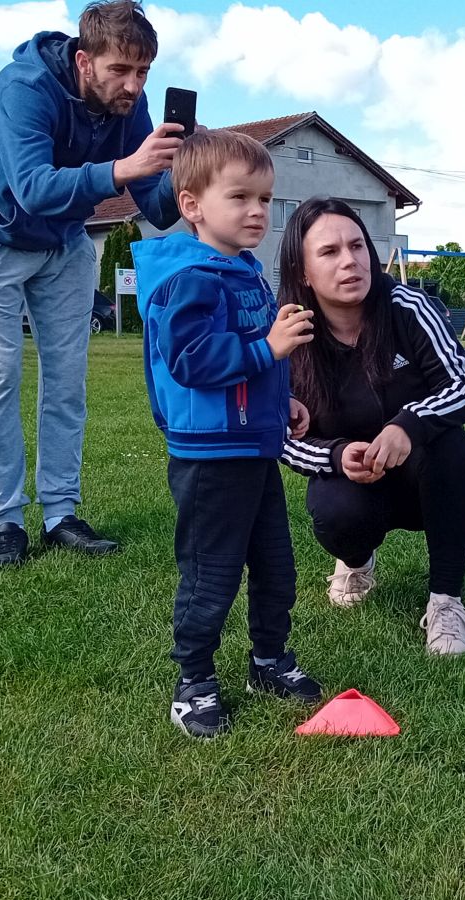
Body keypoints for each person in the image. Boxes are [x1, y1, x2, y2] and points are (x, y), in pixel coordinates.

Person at [0, 0, 187, 567]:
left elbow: (155, 207)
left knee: (66, 382)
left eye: (143, 72)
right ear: (84, 61)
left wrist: (184, 171)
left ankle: (60, 514)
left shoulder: (130, 106)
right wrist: (123, 169)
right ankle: (6, 520)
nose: (133, 86)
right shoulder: (25, 89)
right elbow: (32, 187)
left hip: (63, 241)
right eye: (120, 70)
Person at [133, 130, 322, 739]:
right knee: (211, 574)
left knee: (276, 566)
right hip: (210, 458)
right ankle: (193, 682)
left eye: (265, 199)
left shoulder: (242, 271)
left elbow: (249, 360)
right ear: (191, 205)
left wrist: (280, 399)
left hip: (254, 448)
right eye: (239, 197)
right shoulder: (190, 277)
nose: (257, 211)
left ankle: (268, 661)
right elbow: (191, 361)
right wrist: (269, 348)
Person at [278, 198, 465, 656]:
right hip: (352, 484)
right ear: (303, 272)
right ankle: (355, 561)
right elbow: (279, 435)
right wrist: (336, 455)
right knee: (335, 513)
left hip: (423, 476)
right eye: (329, 252)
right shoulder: (289, 336)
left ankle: (446, 601)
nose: (350, 261)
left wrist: (408, 425)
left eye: (357, 246)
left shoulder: (408, 307)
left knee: (453, 449)